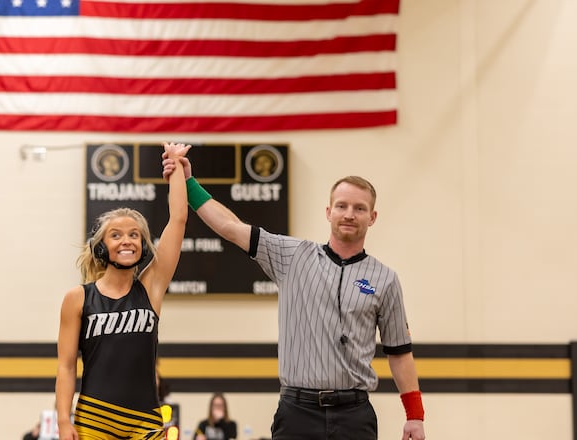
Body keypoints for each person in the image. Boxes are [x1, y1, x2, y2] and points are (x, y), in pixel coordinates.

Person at [163, 153, 426, 440]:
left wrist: (415, 416)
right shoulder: (292, 256)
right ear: (329, 212)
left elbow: (400, 354)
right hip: (297, 413)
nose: (349, 214)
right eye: (342, 206)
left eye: (359, 208)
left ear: (372, 217)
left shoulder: (385, 279)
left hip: (354, 414)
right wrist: (188, 183)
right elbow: (230, 227)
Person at [56, 142, 190, 440]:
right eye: (115, 235)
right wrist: (63, 421)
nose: (126, 241)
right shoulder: (78, 298)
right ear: (102, 246)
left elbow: (178, 220)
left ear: (143, 246)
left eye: (134, 235)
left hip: (146, 420)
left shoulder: (150, 288)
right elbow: (66, 367)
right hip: (94, 419)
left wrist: (177, 167)